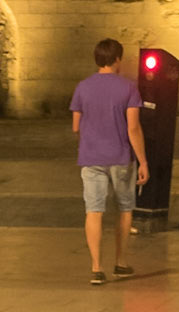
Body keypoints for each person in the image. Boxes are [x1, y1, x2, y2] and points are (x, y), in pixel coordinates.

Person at [70, 38, 148, 284]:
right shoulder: (128, 88)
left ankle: (96, 268)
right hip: (120, 157)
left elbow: (75, 126)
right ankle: (120, 263)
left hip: (91, 157)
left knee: (94, 210)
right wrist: (143, 162)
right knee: (124, 209)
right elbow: (133, 128)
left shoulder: (82, 87)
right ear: (117, 60)